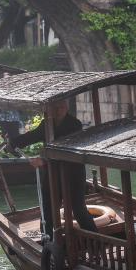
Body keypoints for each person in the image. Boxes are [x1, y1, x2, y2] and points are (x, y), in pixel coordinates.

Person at [10, 99, 98, 239]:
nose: (58, 110)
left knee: (79, 210)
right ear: (50, 109)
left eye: (61, 107)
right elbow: (32, 136)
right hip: (52, 174)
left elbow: (66, 150)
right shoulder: (47, 124)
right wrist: (13, 143)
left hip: (73, 173)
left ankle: (95, 241)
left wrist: (43, 161)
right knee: (47, 211)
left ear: (66, 108)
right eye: (55, 108)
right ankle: (47, 243)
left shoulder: (74, 124)